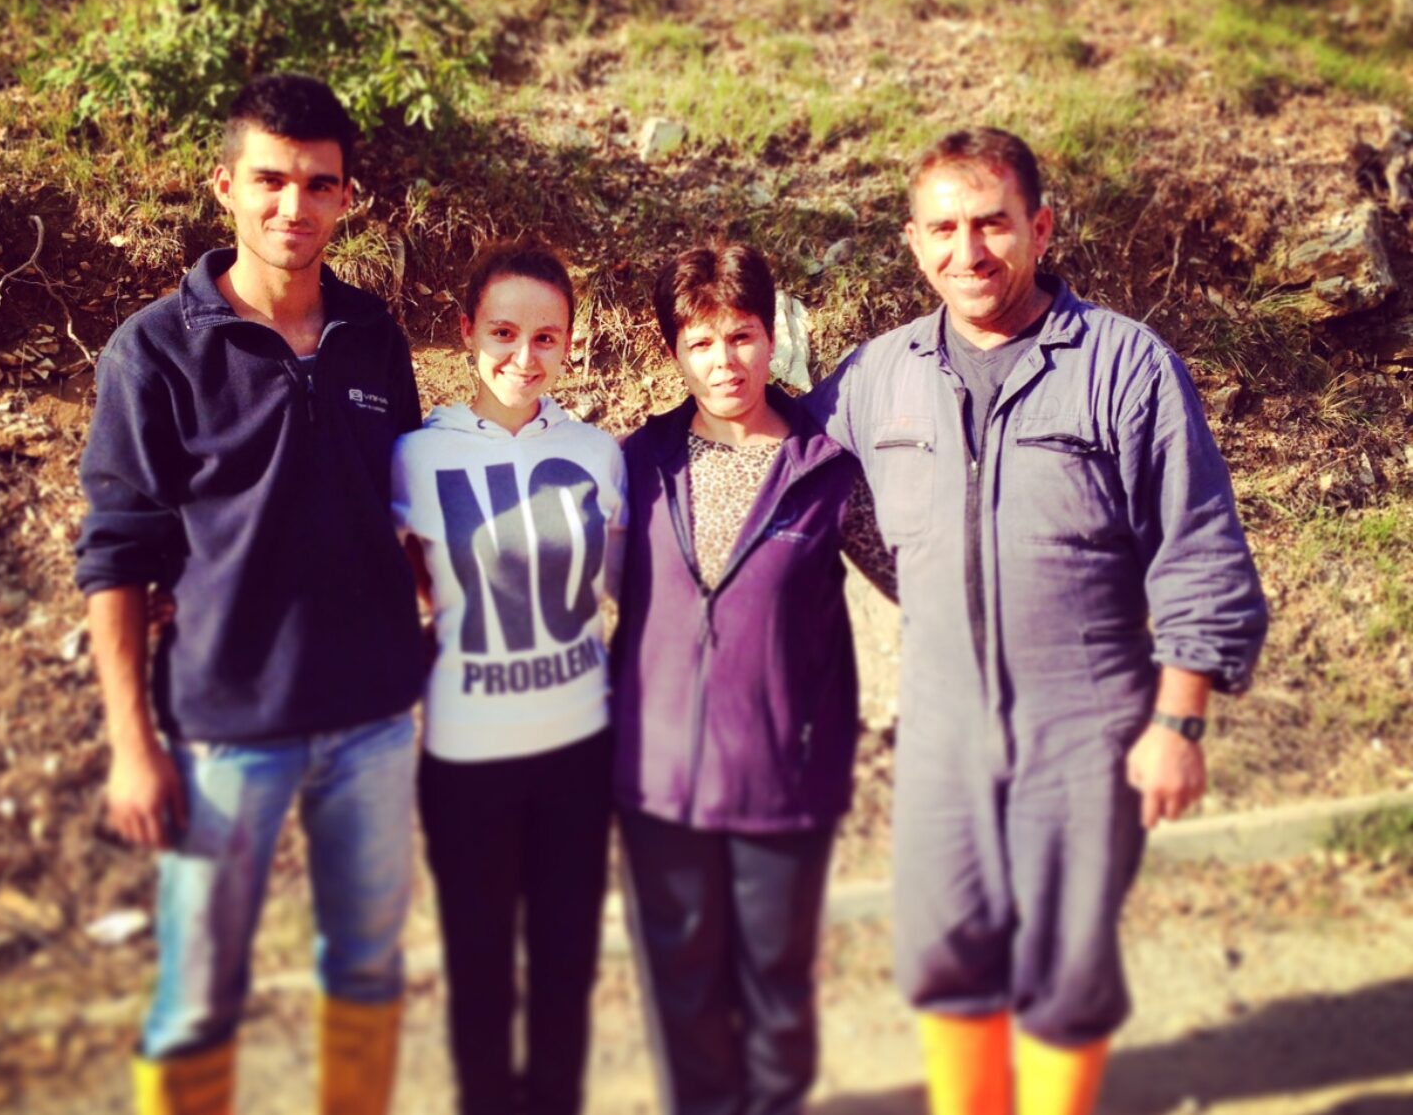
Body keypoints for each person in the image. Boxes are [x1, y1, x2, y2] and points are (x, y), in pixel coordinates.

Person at [810, 128, 1269, 1115]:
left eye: (991, 224)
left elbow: (1196, 544)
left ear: (1040, 226)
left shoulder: (1122, 364)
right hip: (940, 725)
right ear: (911, 240)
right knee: (945, 950)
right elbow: (796, 485)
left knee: (1066, 968)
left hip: (1087, 721)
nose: (966, 252)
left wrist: (1179, 718)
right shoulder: (873, 378)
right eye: (941, 228)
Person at [75, 74, 423, 1115]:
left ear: (348, 198)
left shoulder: (373, 335)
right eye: (270, 180)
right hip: (225, 733)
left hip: (371, 721)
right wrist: (133, 745)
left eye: (319, 184)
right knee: (197, 1000)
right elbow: (115, 558)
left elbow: (400, 508)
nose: (293, 207)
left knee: (365, 974)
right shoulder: (156, 350)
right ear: (225, 184)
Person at [611, 243, 896, 1115]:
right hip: (657, 780)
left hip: (783, 777)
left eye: (740, 336)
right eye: (699, 343)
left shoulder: (828, 472)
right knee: (681, 993)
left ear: (773, 339)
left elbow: (917, 581)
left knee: (775, 987)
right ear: (673, 353)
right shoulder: (637, 463)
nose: (723, 361)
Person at [390, 240, 626, 1115]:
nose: (523, 357)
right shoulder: (415, 458)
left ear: (570, 344)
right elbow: (388, 578)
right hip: (466, 761)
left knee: (566, 970)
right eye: (502, 332)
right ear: (464, 332)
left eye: (546, 338)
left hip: (578, 751)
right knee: (481, 974)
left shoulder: (601, 455)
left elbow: (622, 588)